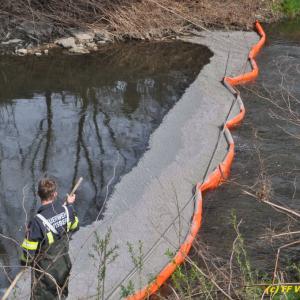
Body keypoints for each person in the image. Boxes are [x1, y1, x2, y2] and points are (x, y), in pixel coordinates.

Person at [20, 178, 79, 299]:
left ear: (38, 195)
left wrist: (27, 235)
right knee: (60, 294)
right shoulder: (67, 211)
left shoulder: (37, 222)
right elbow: (75, 226)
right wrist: (70, 205)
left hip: (45, 273)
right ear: (55, 194)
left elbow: (27, 258)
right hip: (63, 265)